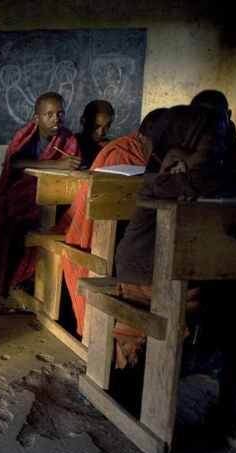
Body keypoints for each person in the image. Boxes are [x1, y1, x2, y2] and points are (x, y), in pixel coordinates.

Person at [111, 104, 236, 439]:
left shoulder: (209, 173)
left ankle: (222, 396)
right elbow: (203, 184)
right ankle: (138, 382)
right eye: (211, 141)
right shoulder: (165, 177)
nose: (218, 147)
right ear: (183, 142)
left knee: (225, 301)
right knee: (204, 308)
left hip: (192, 273)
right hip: (147, 275)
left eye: (223, 139)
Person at [53, 107, 168, 336]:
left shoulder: (170, 161)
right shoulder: (118, 153)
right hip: (109, 233)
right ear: (141, 139)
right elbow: (99, 206)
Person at [0, 91, 81, 296]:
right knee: (19, 221)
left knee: (67, 220)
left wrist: (72, 166)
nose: (56, 119)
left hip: (55, 194)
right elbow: (15, 162)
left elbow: (71, 169)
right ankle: (21, 277)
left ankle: (52, 279)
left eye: (60, 113)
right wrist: (56, 164)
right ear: (36, 118)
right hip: (22, 195)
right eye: (49, 115)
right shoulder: (26, 137)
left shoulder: (68, 139)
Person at [74, 100, 115, 168]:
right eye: (95, 126)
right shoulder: (72, 143)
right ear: (83, 121)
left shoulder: (108, 148)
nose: (100, 133)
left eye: (106, 128)